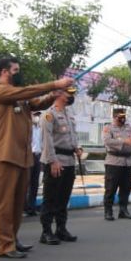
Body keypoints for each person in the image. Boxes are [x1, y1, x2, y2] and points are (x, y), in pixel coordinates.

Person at [0, 57, 73, 259]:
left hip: (20, 157)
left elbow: (35, 102)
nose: (19, 73)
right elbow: (25, 93)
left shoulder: (18, 96)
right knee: (3, 204)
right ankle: (4, 245)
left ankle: (12, 240)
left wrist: (53, 95)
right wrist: (53, 84)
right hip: (1, 156)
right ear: (5, 72)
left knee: (16, 204)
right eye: (15, 70)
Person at [39, 87, 82, 245]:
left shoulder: (68, 114)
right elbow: (47, 140)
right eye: (68, 93)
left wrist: (76, 147)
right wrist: (53, 161)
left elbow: (72, 135)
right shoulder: (49, 114)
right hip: (56, 160)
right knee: (50, 197)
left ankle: (61, 228)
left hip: (69, 160)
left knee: (64, 197)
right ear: (60, 95)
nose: (71, 96)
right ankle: (46, 231)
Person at [102, 108, 131, 221]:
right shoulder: (108, 128)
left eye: (124, 116)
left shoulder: (129, 128)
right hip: (114, 162)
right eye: (120, 117)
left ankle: (123, 210)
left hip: (127, 162)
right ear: (114, 117)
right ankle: (108, 211)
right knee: (111, 188)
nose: (123, 119)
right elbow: (107, 141)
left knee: (126, 187)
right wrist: (124, 141)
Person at [24, 111, 43, 217]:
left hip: (37, 156)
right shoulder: (26, 127)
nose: (37, 117)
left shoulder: (39, 129)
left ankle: (31, 206)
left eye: (38, 115)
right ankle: (25, 207)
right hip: (28, 155)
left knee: (35, 183)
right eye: (35, 115)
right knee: (26, 182)